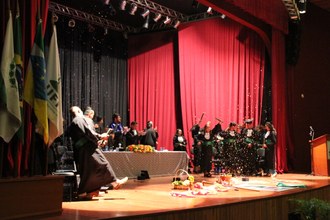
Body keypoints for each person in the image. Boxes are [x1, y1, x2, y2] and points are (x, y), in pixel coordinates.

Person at [67, 106, 127, 200]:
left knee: (89, 170)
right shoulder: (79, 119)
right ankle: (115, 183)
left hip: (82, 149)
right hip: (88, 149)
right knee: (102, 164)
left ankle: (92, 192)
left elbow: (82, 135)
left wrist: (96, 140)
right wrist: (100, 136)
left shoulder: (74, 122)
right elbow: (88, 132)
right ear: (79, 111)